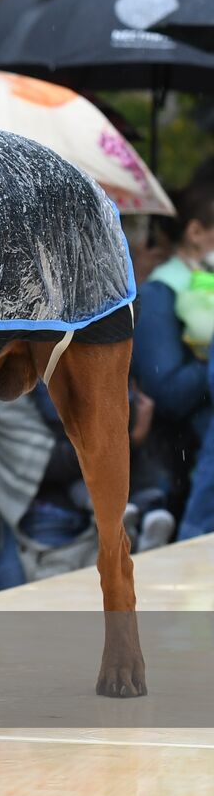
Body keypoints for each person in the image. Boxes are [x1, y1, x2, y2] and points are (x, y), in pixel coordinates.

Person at [131, 170, 214, 531]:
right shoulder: (159, 292)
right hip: (181, 463)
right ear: (196, 232)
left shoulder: (201, 283)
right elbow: (168, 392)